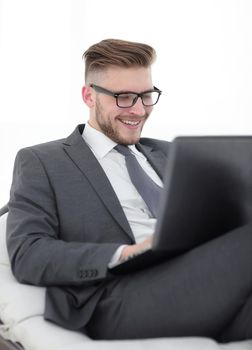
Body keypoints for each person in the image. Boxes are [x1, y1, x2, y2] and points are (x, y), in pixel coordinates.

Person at [6, 38, 252, 341]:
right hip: (117, 297)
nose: (138, 110)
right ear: (89, 96)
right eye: (123, 97)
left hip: (196, 277)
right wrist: (127, 253)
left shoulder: (173, 153)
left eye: (146, 95)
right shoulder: (42, 161)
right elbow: (28, 254)